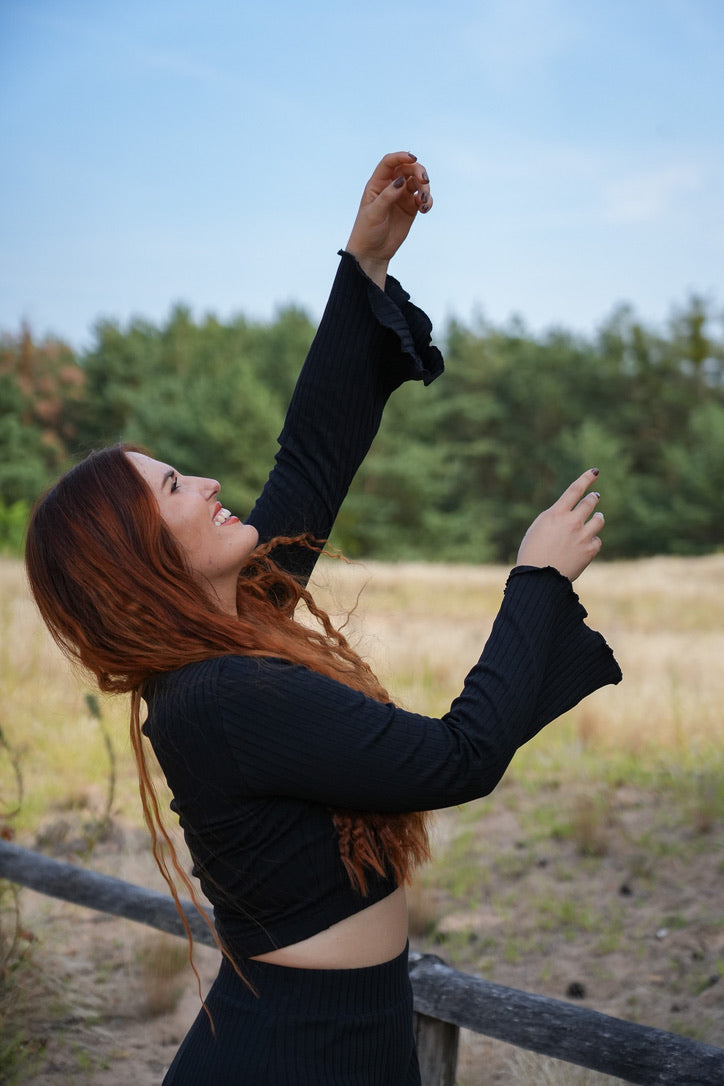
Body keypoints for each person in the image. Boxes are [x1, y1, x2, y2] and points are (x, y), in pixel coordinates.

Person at [25, 151, 621, 1086]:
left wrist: (365, 265)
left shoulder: (234, 629)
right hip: (297, 1054)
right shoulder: (219, 694)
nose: (210, 483)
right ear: (137, 557)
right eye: (176, 487)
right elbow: (452, 759)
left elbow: (309, 460)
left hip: (346, 1033)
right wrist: (535, 582)